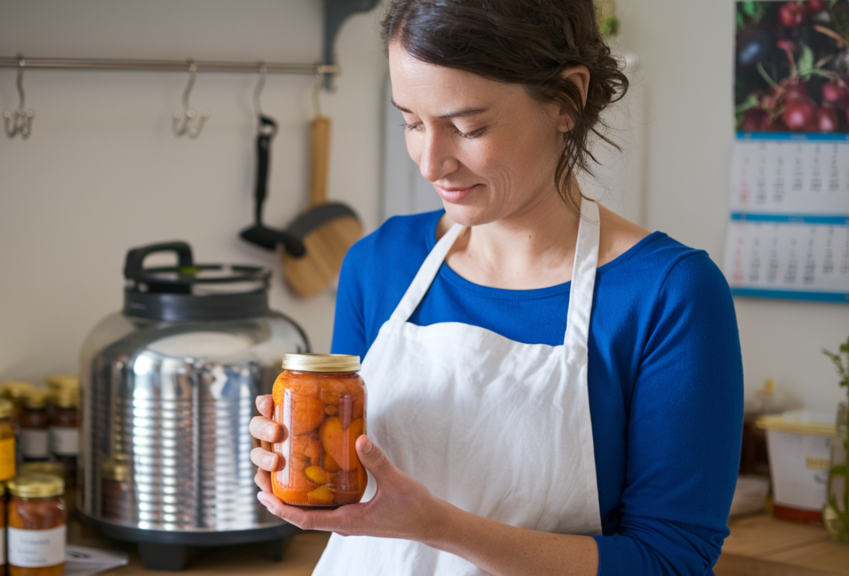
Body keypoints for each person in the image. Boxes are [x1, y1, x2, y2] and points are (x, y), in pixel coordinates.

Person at [249, 1, 744, 574]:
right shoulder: (379, 263)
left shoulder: (666, 294)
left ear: (566, 99)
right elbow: (354, 486)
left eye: (467, 127)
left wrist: (437, 525)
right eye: (411, 122)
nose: (432, 163)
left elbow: (672, 561)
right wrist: (302, 453)